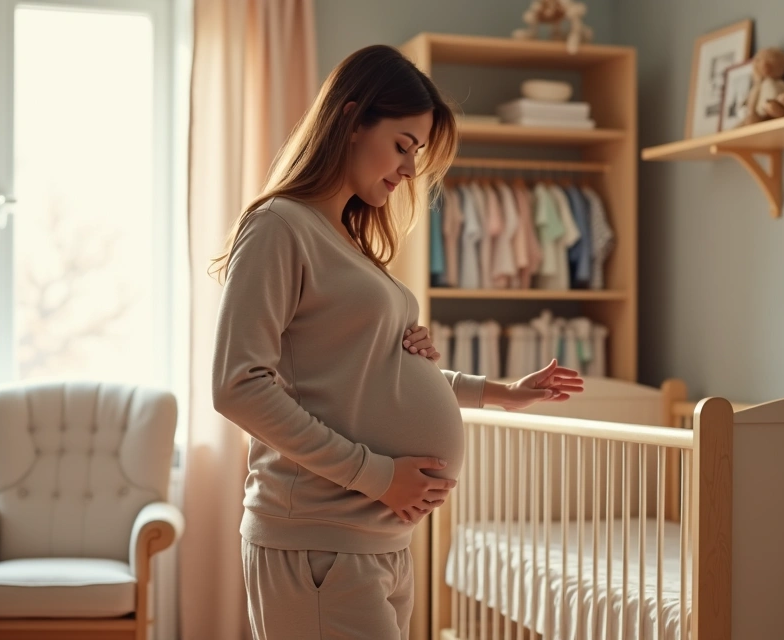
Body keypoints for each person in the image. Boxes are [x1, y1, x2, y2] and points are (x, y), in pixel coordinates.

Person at [209, 43, 585, 639]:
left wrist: (502, 393)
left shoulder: (346, 239)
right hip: (319, 540)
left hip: (374, 540)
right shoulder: (280, 226)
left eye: (418, 153)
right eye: (404, 145)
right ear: (352, 120)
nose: (411, 170)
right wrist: (378, 476)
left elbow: (365, 376)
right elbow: (238, 387)